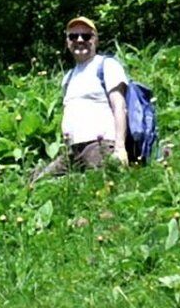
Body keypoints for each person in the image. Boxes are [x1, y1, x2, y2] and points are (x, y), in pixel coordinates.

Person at [30, 16, 128, 184]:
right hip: (72, 150)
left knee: (99, 188)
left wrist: (120, 148)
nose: (80, 40)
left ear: (96, 40)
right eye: (73, 36)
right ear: (67, 42)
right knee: (39, 184)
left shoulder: (106, 65)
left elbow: (120, 106)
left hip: (99, 145)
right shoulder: (68, 77)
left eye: (86, 36)